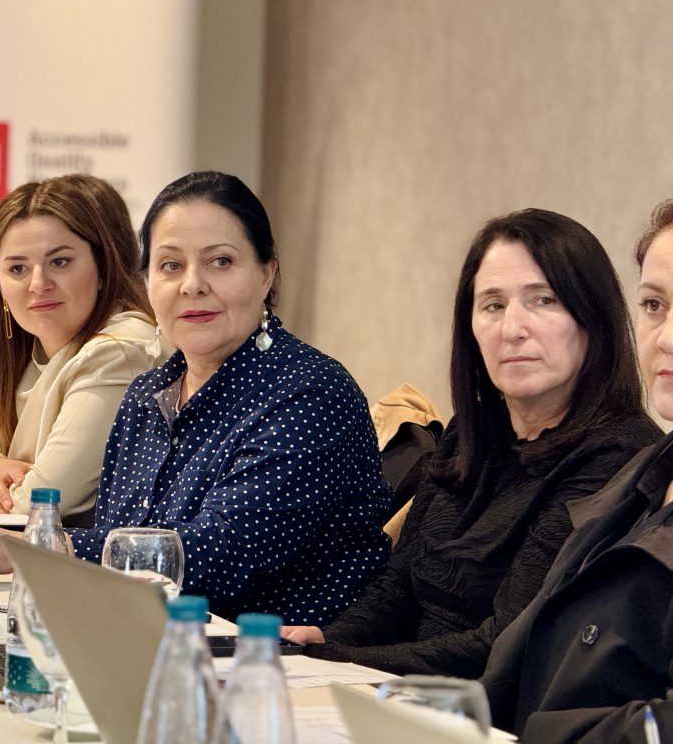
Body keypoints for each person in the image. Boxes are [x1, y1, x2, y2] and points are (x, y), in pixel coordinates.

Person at [0, 170, 392, 624]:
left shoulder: (310, 393)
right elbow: (120, 548)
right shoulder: (146, 396)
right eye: (171, 266)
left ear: (266, 273)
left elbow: (221, 556)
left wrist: (31, 548)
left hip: (272, 654)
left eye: (220, 261)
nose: (192, 284)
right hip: (143, 637)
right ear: (147, 282)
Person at [284, 208, 661, 678]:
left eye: (543, 300)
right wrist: (329, 638)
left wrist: (339, 661)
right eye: (493, 305)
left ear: (593, 318)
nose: (512, 328)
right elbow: (399, 583)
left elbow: (503, 643)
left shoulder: (618, 455)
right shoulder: (473, 427)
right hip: (397, 688)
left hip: (486, 702)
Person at [480, 199, 673, 743]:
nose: (665, 338)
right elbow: (516, 658)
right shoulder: (642, 477)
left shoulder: (613, 452)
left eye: (543, 300)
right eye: (654, 305)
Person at [0, 175, 169, 526]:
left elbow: (37, 504)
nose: (38, 284)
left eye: (60, 262)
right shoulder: (39, 348)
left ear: (103, 268)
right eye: (17, 268)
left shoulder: (119, 352)